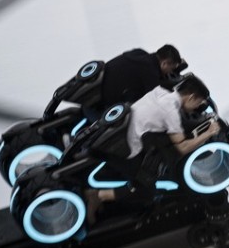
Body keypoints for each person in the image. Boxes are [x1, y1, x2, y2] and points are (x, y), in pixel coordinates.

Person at [84, 75, 220, 222]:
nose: (197, 107)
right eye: (198, 103)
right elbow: (182, 147)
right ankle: (98, 196)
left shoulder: (160, 92)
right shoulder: (171, 111)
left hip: (119, 134)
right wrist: (209, 133)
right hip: (126, 149)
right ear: (191, 97)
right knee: (147, 191)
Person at [99, 45, 184, 109]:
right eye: (172, 69)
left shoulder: (139, 52)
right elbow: (154, 99)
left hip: (98, 86)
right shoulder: (150, 72)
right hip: (105, 103)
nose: (170, 72)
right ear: (164, 63)